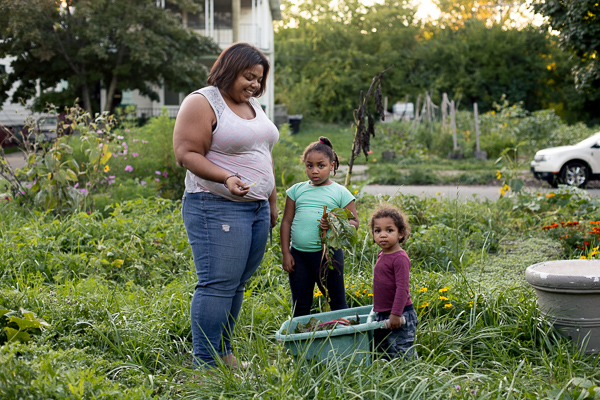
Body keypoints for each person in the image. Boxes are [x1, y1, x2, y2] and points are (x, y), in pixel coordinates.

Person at [172, 43, 279, 369]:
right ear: (229, 70)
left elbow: (263, 155)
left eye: (259, 79)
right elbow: (186, 153)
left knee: (236, 284)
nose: (255, 85)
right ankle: (204, 365)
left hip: (256, 208)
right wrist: (226, 177)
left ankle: (224, 354)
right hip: (216, 204)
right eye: (249, 77)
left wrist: (271, 201)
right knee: (218, 284)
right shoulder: (202, 102)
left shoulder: (253, 105)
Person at [280, 136, 359, 317]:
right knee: (300, 305)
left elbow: (354, 223)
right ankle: (302, 342)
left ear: (332, 165)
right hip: (298, 256)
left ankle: (342, 339)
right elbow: (286, 222)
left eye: (321, 166)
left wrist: (333, 223)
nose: (315, 171)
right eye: (310, 166)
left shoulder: (340, 192)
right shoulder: (296, 191)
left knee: (337, 302)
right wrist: (286, 253)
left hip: (329, 256)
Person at [370, 204, 418, 360]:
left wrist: (396, 314)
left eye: (389, 230)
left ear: (401, 234)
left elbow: (402, 288)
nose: (383, 235)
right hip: (383, 313)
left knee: (402, 351)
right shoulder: (382, 254)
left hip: (400, 314)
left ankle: (411, 378)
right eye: (378, 231)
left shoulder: (400, 258)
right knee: (383, 351)